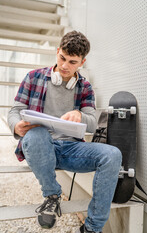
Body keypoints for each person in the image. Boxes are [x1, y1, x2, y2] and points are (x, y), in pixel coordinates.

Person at [8, 31, 122, 233]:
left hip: (71, 149)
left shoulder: (85, 87)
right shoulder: (33, 77)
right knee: (37, 134)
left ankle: (92, 228)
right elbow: (15, 110)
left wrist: (80, 115)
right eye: (62, 58)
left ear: (82, 62)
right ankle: (52, 196)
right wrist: (16, 125)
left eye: (72, 62)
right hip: (40, 147)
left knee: (113, 154)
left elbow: (93, 123)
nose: (64, 66)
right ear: (57, 51)